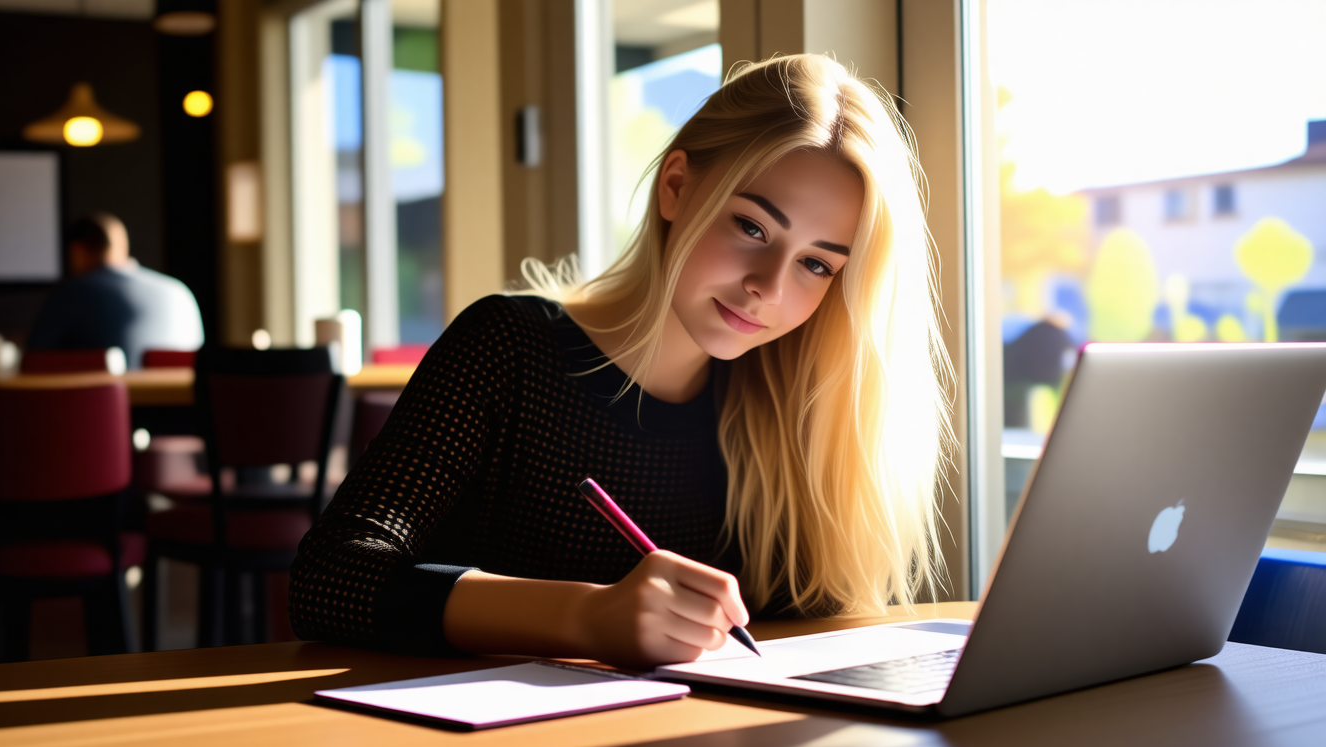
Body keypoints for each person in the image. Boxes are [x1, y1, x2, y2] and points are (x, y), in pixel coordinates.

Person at [290, 55, 952, 669]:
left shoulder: (798, 401)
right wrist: (586, 616)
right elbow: (330, 581)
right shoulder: (505, 347)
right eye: (751, 227)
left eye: (816, 264)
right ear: (675, 187)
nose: (770, 287)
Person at [27, 213, 204, 369]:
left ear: (77, 251)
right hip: (184, 405)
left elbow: (32, 362)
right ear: (123, 248)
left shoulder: (70, 294)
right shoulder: (179, 292)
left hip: (103, 406)